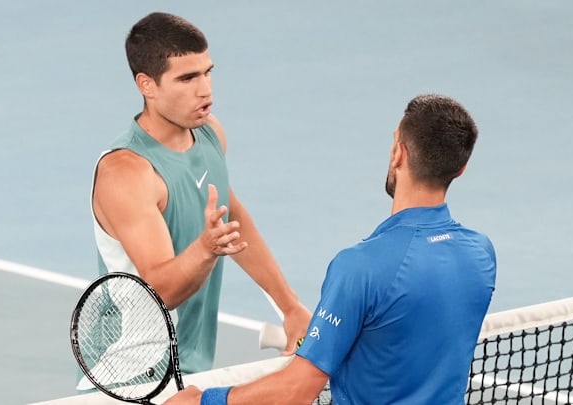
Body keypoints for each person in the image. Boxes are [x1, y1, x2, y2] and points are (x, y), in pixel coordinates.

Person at [164, 94, 497, 404]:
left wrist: (201, 400)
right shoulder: (481, 254)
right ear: (460, 168)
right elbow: (406, 334)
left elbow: (296, 390)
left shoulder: (360, 267)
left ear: (399, 153)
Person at [86, 12, 311, 378]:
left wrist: (290, 307)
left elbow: (231, 216)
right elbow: (163, 290)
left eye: (207, 72)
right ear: (147, 84)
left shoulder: (209, 134)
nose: (205, 89)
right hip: (130, 377)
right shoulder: (126, 172)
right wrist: (206, 248)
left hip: (188, 370)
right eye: (188, 78)